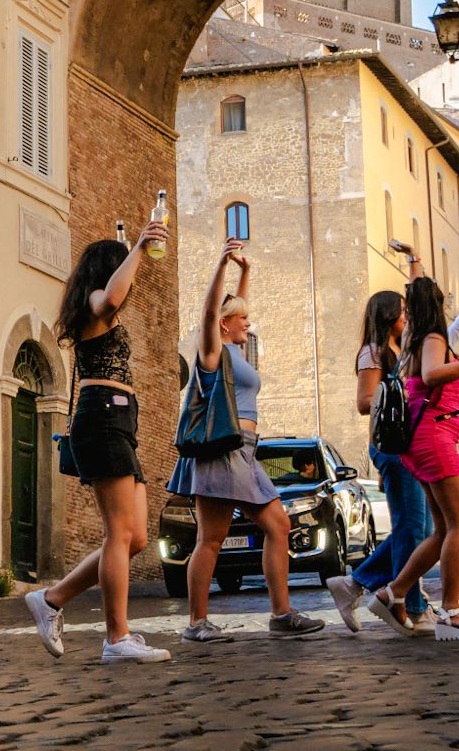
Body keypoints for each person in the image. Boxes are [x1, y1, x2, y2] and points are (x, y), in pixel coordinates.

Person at [24, 225, 172, 663]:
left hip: (120, 421)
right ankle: (116, 637)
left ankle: (52, 598)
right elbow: (110, 298)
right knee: (118, 533)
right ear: (107, 270)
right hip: (102, 416)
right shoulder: (94, 301)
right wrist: (139, 248)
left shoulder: (104, 311)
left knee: (136, 537)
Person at [169, 241, 325, 644]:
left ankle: (281, 614)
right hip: (222, 451)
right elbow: (210, 313)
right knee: (211, 538)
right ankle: (196, 623)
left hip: (245, 451)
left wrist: (246, 272)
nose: (248, 323)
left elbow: (233, 307)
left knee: (279, 525)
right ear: (224, 324)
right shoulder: (212, 351)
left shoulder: (237, 352)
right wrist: (221, 264)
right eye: (242, 318)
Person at [370, 278, 459, 641]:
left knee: (445, 529)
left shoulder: (416, 341)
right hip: (434, 437)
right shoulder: (431, 340)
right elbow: (433, 373)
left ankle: (392, 593)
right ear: (437, 305)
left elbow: (443, 344)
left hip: (422, 439)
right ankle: (451, 611)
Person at [327, 283, 432, 634]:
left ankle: (355, 583)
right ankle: (411, 605)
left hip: (404, 447)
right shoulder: (373, 352)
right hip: (393, 447)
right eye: (403, 310)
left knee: (421, 529)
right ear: (388, 314)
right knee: (412, 529)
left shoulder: (398, 348)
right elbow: (364, 401)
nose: (407, 315)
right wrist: (400, 396)